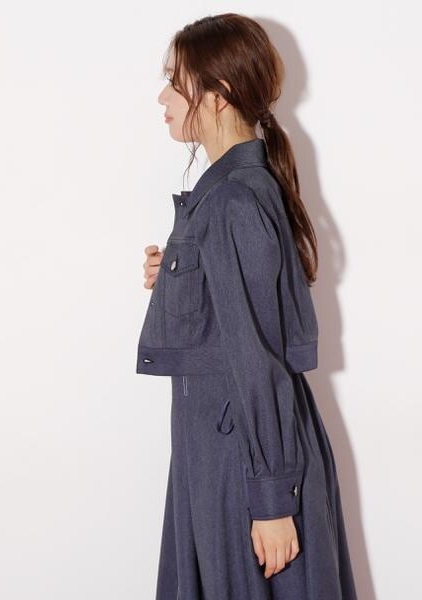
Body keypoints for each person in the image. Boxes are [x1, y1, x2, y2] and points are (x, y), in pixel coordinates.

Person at [136, 13, 358, 600]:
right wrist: (181, 278)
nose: (162, 97)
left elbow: (257, 359)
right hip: (222, 454)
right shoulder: (229, 192)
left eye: (175, 82)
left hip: (241, 463)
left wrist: (272, 501)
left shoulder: (233, 199)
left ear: (219, 93)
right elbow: (242, 316)